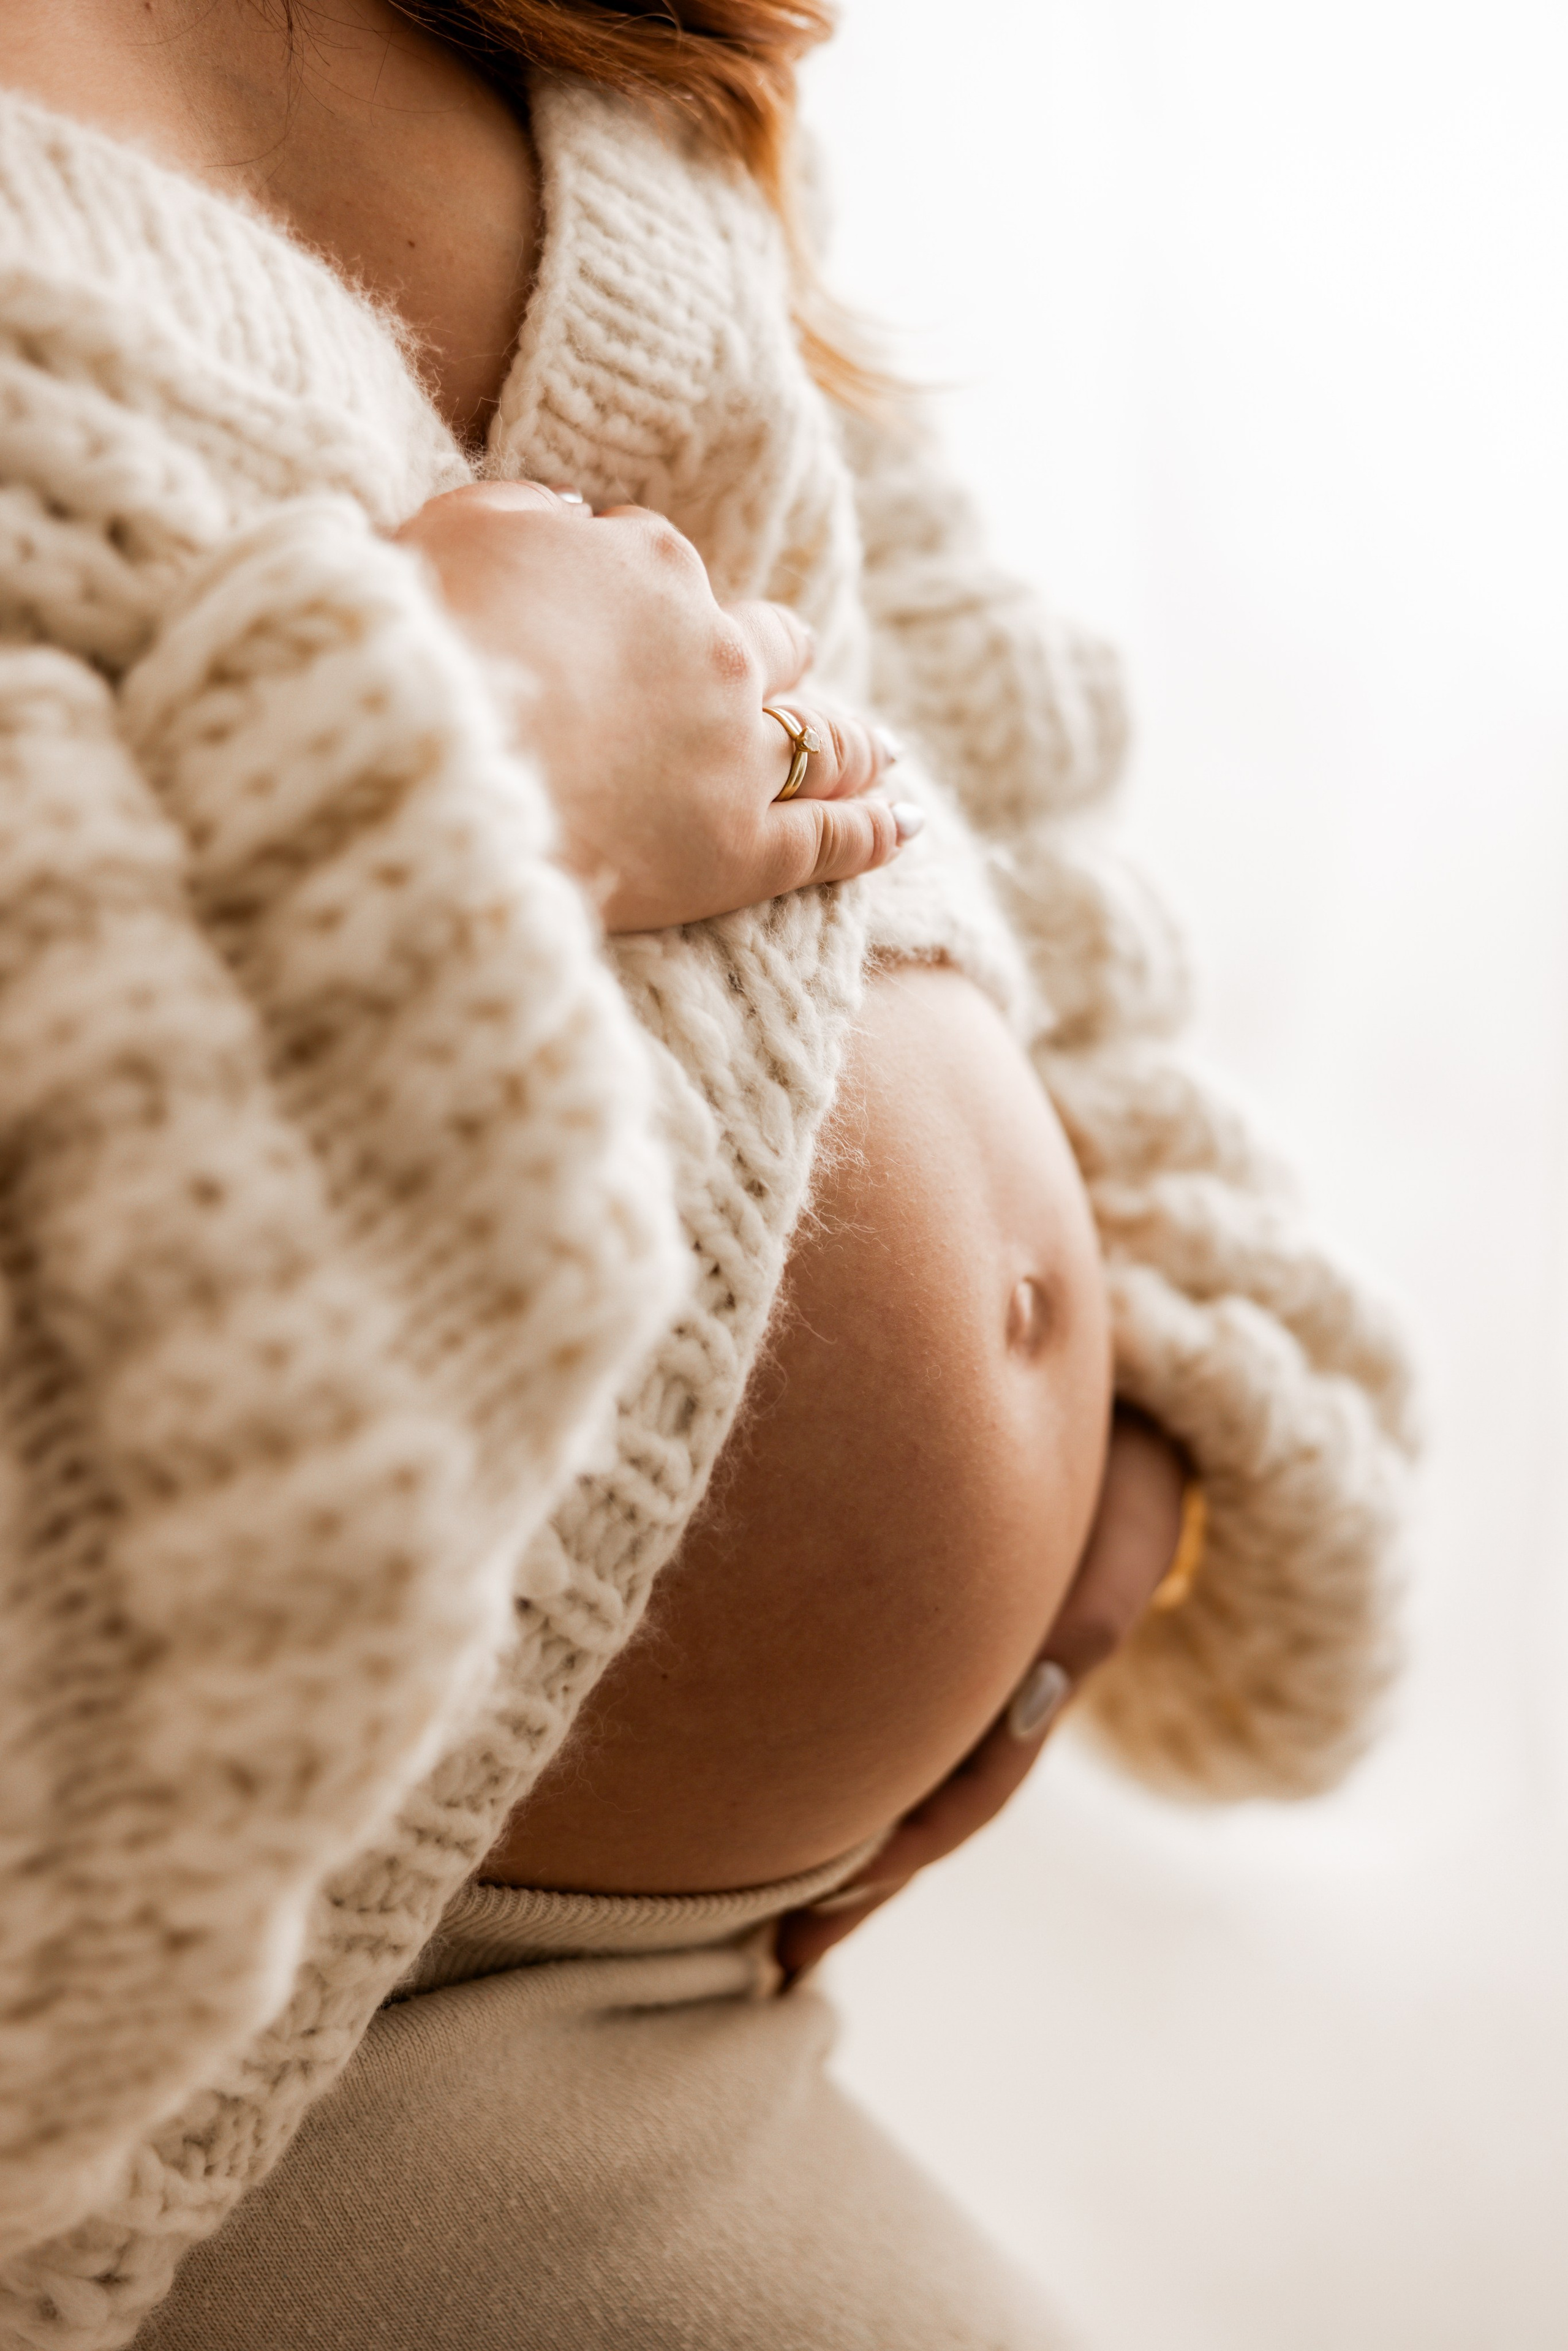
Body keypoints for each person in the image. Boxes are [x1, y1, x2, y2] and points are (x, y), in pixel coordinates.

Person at [0, 2, 1412, 2344]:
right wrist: (463, 757)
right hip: (281, 2061)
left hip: (695, 2007)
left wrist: (1124, 1281)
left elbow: (912, 616)